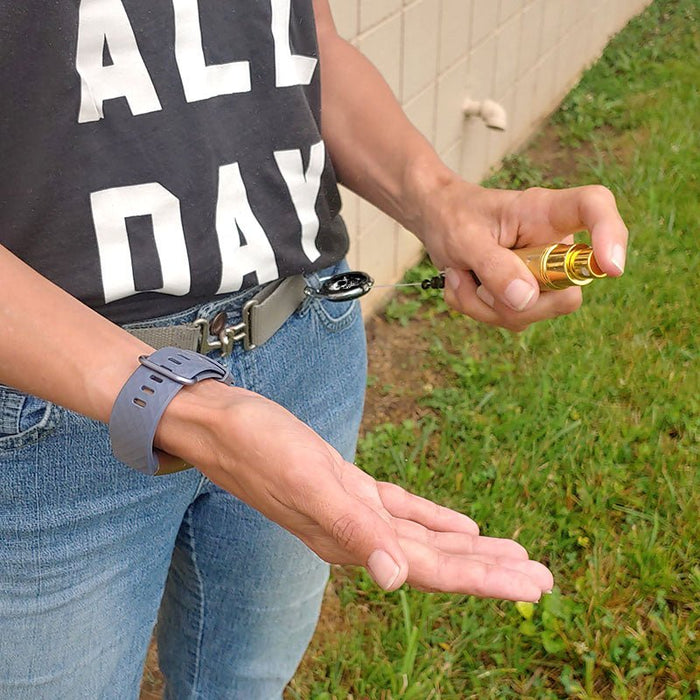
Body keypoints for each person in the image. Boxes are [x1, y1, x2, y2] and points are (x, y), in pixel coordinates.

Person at [0, 1, 627, 697]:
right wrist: (185, 408)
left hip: (302, 347)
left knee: (246, 683)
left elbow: (308, 40)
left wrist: (440, 197)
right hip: (48, 410)